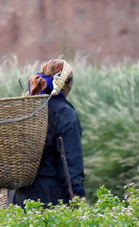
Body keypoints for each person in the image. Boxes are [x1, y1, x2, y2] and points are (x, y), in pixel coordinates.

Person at [8, 59, 85, 207]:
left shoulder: (26, 108)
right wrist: (75, 193)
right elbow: (69, 157)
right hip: (48, 192)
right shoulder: (64, 113)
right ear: (66, 84)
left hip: (17, 194)